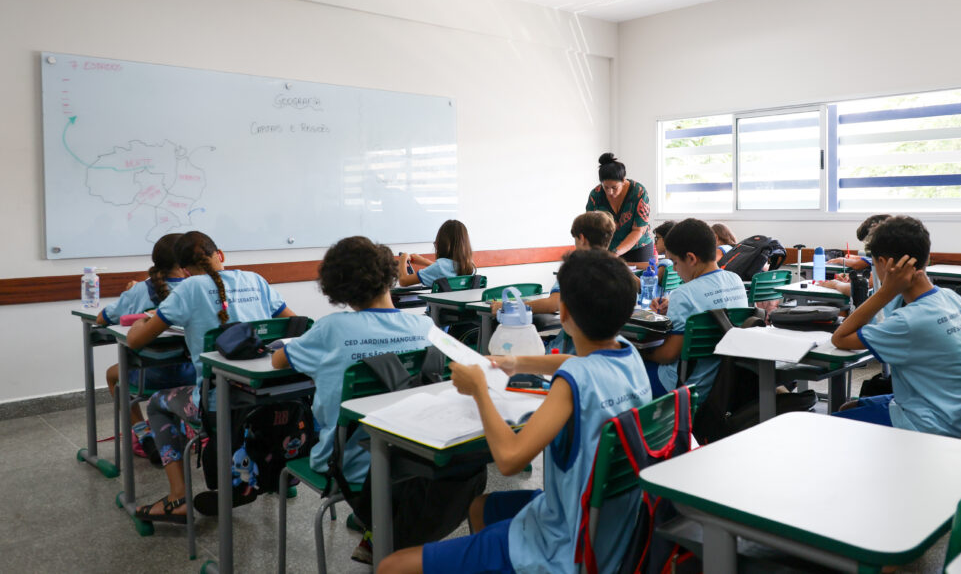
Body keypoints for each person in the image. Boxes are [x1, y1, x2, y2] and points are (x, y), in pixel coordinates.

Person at [378, 249, 652, 574]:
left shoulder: (572, 383)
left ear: (563, 311)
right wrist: (516, 363)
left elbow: (509, 461)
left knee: (392, 566)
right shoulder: (629, 355)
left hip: (565, 546)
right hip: (615, 528)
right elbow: (577, 361)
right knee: (480, 507)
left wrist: (479, 390)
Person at [271, 236, 434, 561]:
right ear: (388, 275)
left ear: (338, 289)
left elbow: (278, 361)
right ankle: (376, 524)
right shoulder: (424, 326)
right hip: (414, 459)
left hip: (345, 465)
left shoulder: (331, 329)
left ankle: (374, 521)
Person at [126, 231, 295, 523]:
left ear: (185, 270)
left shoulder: (189, 289)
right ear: (221, 255)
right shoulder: (255, 280)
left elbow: (136, 341)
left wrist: (141, 320)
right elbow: (295, 324)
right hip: (266, 399)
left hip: (218, 404)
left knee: (156, 404)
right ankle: (268, 471)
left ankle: (178, 497)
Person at [831, 216, 961, 439]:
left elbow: (840, 338)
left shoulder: (907, 321)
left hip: (931, 427)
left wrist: (886, 291)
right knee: (849, 408)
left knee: (832, 429)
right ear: (926, 257)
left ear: (884, 264)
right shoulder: (950, 297)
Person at [96, 233, 194, 464]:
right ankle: (186, 431)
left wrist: (131, 293)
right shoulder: (197, 288)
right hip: (193, 375)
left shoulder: (141, 290)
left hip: (150, 377)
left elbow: (102, 319)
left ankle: (143, 433)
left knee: (113, 375)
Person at [644, 219, 748, 400]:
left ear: (691, 258)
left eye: (675, 262)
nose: (674, 269)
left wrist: (641, 352)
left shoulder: (683, 294)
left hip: (685, 387)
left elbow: (668, 355)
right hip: (725, 382)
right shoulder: (735, 280)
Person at [489, 210, 617, 318]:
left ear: (582, 238)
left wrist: (510, 306)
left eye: (575, 239)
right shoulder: (619, 270)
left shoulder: (576, 269)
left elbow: (554, 304)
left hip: (580, 337)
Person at [585, 152, 654, 263]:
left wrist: (616, 252)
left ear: (623, 180)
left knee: (638, 274)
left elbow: (639, 229)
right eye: (606, 187)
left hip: (638, 246)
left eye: (614, 187)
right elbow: (590, 227)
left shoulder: (638, 192)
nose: (610, 192)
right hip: (608, 248)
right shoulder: (596, 195)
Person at [822, 213, 892, 296]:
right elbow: (871, 281)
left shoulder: (888, 260)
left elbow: (858, 290)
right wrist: (854, 278)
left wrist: (836, 284)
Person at [397, 219, 475, 287]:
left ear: (442, 244)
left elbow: (404, 281)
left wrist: (403, 258)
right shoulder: (469, 267)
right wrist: (424, 261)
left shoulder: (439, 267)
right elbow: (445, 269)